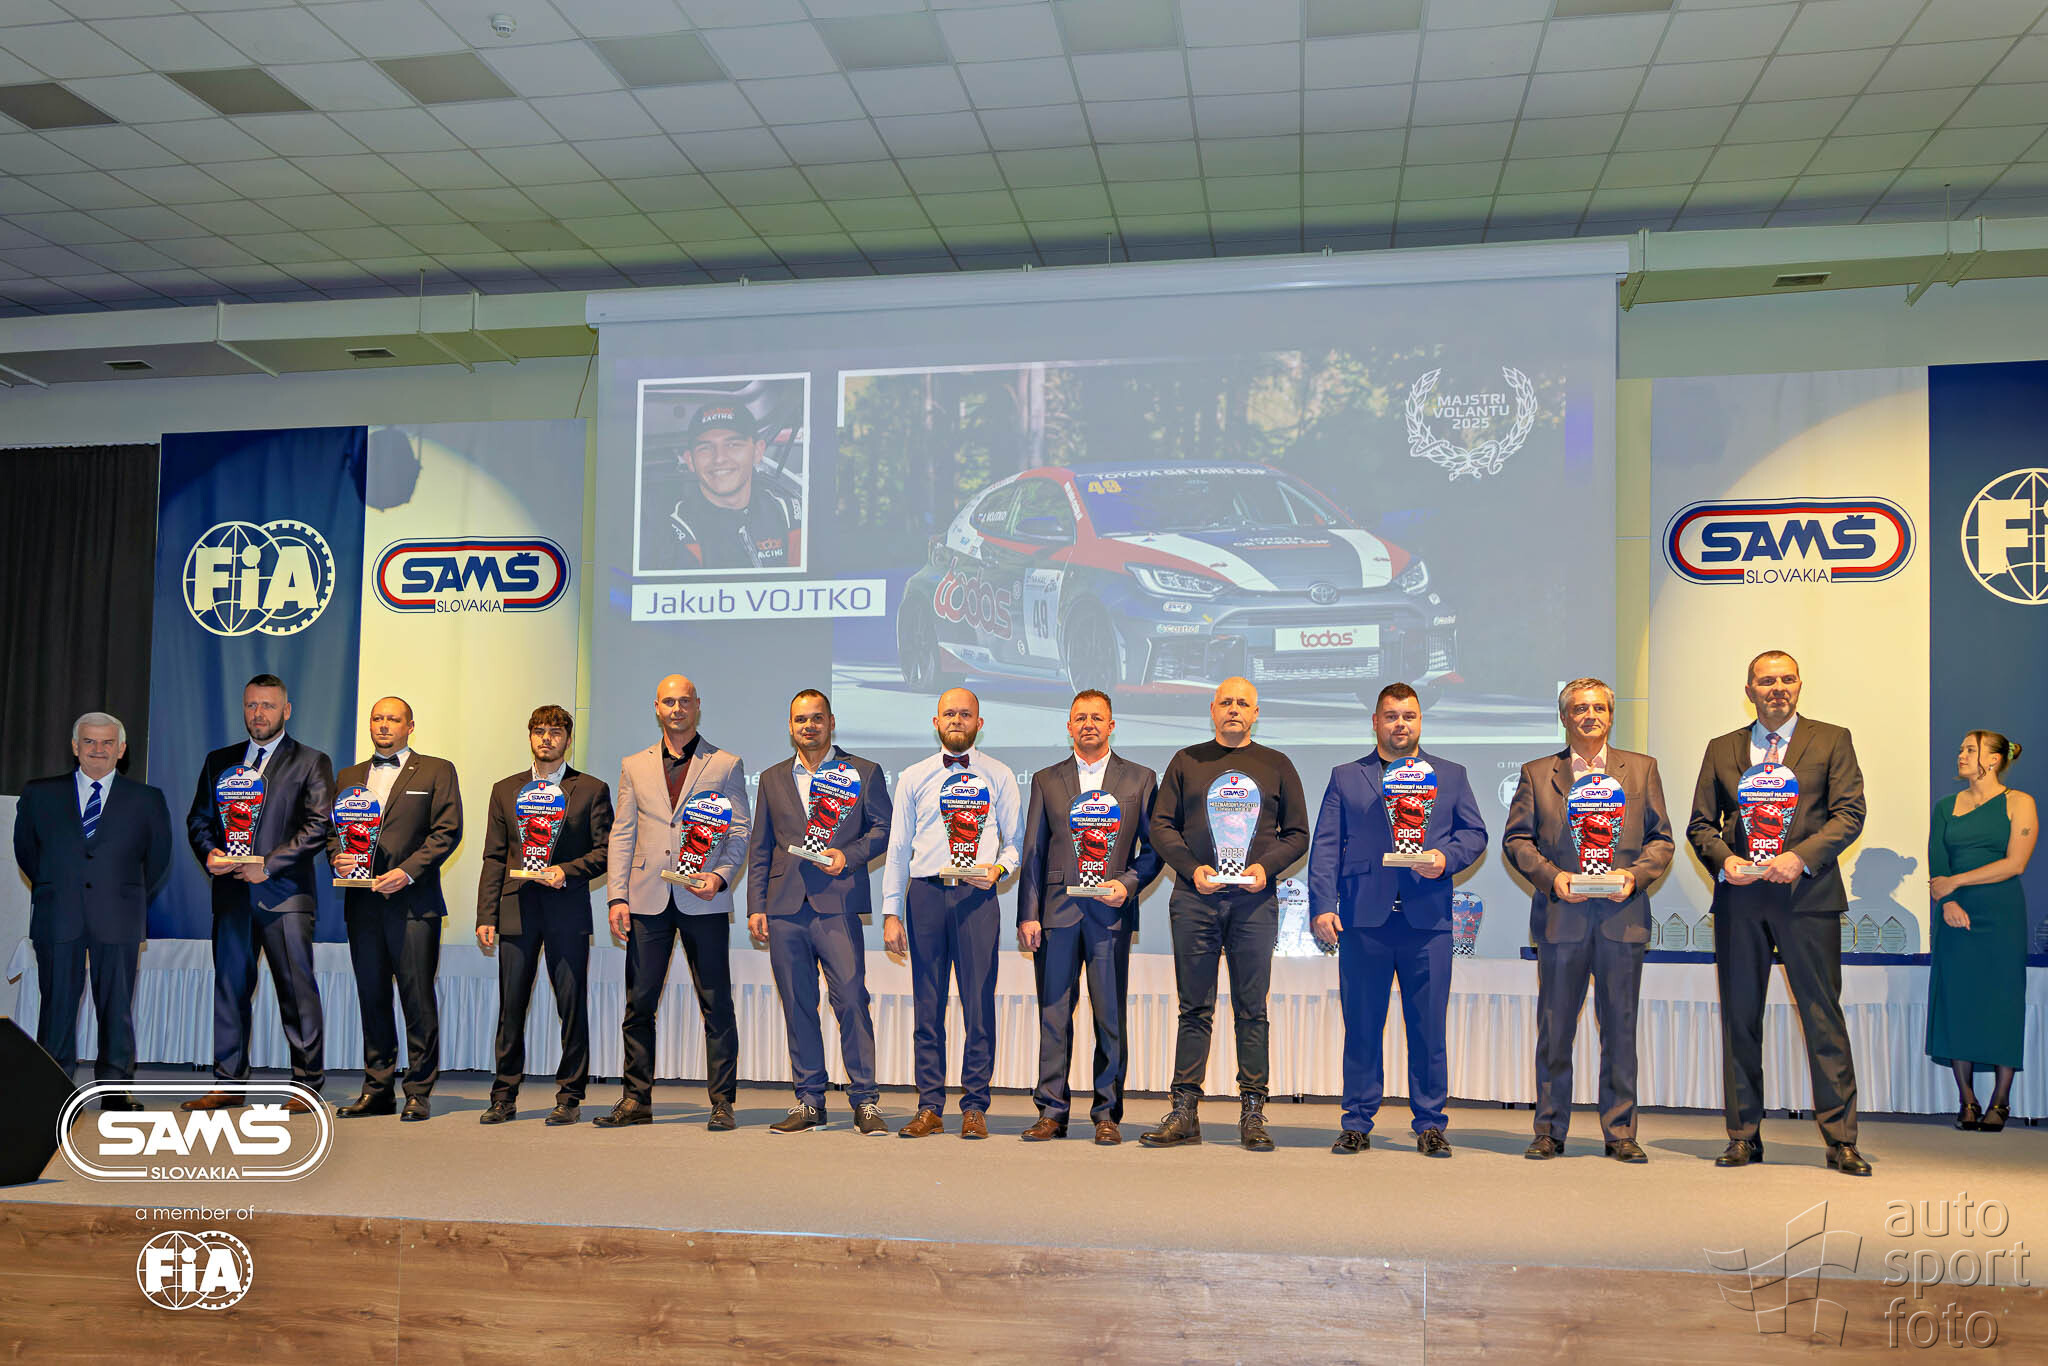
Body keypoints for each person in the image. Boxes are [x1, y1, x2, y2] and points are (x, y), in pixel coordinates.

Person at [1688, 651, 1870, 1176]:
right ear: (1749, 690)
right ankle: (1743, 1136)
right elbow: (1701, 824)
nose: (1778, 688)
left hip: (1807, 897)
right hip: (1741, 900)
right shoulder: (1722, 747)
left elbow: (1849, 813)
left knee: (1822, 1018)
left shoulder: (1831, 739)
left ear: (1799, 686)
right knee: (1740, 1018)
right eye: (1766, 681)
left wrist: (1801, 857)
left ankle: (1841, 1140)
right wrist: (1726, 860)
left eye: (1787, 679)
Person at [1307, 683, 1487, 1157]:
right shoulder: (1346, 777)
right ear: (1375, 722)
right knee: (1362, 1028)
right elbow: (1326, 845)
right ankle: (1356, 1122)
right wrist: (1322, 905)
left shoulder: (1451, 775)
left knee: (1427, 1030)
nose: (1400, 724)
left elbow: (1474, 834)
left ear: (1420, 721)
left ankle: (1430, 1123)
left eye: (1409, 716)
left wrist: (1445, 859)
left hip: (1427, 924)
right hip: (1364, 921)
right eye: (1391, 716)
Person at [1501, 678, 1673, 1162]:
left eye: (1599, 708)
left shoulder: (1641, 769)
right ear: (1564, 717)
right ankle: (1549, 1130)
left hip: (1622, 919)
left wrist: (1633, 877)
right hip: (1562, 919)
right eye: (1579, 709)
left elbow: (1662, 840)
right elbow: (1517, 840)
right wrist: (1553, 878)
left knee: (1620, 1031)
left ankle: (1620, 1133)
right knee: (1555, 1031)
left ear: (1611, 716)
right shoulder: (1538, 773)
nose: (1590, 716)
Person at [1143, 677, 1309, 1151]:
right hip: (1195, 899)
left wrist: (1265, 868)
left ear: (1256, 713)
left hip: (1254, 903)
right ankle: (1184, 1111)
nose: (1234, 709)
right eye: (1226, 702)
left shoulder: (1277, 765)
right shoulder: (1186, 761)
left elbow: (1298, 834)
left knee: (1251, 1009)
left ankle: (1253, 1113)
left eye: (1243, 703)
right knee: (1193, 1008)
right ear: (1212, 710)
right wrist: (1192, 869)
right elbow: (1161, 826)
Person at [598, 675, 750, 1129]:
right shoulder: (633, 765)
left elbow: (740, 830)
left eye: (684, 701)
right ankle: (635, 1099)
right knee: (639, 1005)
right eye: (669, 702)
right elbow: (622, 833)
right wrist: (617, 896)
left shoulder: (726, 763)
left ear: (697, 706)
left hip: (703, 899)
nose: (677, 709)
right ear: (657, 707)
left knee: (716, 1004)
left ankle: (722, 1102)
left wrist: (720, 877)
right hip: (646, 899)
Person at [183, 673, 335, 1113]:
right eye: (251, 705)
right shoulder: (219, 760)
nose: (258, 713)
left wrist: (266, 864)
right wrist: (210, 852)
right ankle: (228, 1083)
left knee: (296, 992)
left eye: (268, 705)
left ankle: (306, 1085)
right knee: (229, 990)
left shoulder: (311, 761)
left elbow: (318, 826)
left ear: (286, 710)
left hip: (285, 896)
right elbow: (199, 819)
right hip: (231, 896)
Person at [1017, 690, 1162, 1145]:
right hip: (1056, 913)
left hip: (1110, 913)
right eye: (1080, 718)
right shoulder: (1046, 779)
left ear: (1111, 725)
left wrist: (1129, 884)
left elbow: (1154, 850)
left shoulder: (1140, 779)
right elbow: (1034, 851)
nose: (1088, 725)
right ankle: (1051, 1112)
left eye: (1097, 718)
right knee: (1053, 1016)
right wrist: (1028, 914)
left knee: (1109, 1018)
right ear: (1069, 726)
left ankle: (1107, 1114)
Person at [747, 689, 893, 1136]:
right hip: (784, 907)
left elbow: (883, 829)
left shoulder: (864, 772)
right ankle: (809, 1100)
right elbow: (761, 846)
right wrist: (756, 906)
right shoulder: (772, 778)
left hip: (837, 903)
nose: (808, 726)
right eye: (800, 720)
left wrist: (849, 856)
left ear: (831, 722)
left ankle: (865, 1100)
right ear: (790, 726)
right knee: (798, 1004)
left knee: (851, 999)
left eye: (816, 718)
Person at [880, 687, 1021, 1139]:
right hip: (925, 896)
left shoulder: (1000, 775)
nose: (956, 720)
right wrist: (891, 912)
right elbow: (898, 848)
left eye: (965, 713)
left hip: (977, 898)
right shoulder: (913, 776)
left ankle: (975, 1106)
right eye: (949, 714)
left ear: (979, 723)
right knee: (928, 1005)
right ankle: (929, 1107)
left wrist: (998, 870)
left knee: (979, 1004)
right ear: (935, 722)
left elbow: (1016, 843)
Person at [12, 712, 172, 1108]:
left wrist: (123, 894)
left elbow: (157, 860)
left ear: (121, 749)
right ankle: (54, 1094)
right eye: (89, 741)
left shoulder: (147, 799)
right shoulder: (39, 794)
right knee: (56, 1009)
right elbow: (27, 852)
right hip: (58, 914)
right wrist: (57, 887)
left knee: (116, 1010)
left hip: (118, 916)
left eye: (106, 743)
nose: (97, 749)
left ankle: (115, 1092)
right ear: (74, 746)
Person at [476, 705, 613, 1127]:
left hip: (566, 908)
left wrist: (566, 871)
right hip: (516, 908)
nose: (547, 739)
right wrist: (486, 914)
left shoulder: (591, 789)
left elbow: (605, 851)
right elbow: (494, 856)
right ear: (530, 737)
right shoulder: (505, 789)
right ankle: (503, 1096)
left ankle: (570, 1096)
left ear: (568, 739)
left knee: (571, 1006)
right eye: (539, 731)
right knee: (511, 1007)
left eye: (555, 732)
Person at [327, 697, 462, 1123]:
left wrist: (407, 872)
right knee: (372, 999)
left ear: (410, 726)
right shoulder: (348, 776)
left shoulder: (437, 770)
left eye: (393, 719)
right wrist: (336, 857)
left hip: (413, 904)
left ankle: (418, 1091)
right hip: (362, 903)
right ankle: (377, 1089)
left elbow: (446, 832)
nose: (384, 725)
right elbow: (332, 832)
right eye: (377, 718)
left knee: (417, 1000)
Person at [1927, 731, 2036, 1133]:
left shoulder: (2019, 802)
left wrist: (1955, 883)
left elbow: (2015, 863)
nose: (1961, 755)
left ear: (1992, 760)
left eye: (1970, 750)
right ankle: (1967, 1099)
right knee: (1959, 999)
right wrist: (1948, 901)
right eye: (1961, 749)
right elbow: (1938, 862)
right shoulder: (1945, 806)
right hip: (1954, 912)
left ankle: (2000, 1100)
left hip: (2000, 913)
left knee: (2002, 1000)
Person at [668, 405, 800, 570]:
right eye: (705, 448)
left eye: (733, 445)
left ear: (757, 452)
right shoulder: (674, 532)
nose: (719, 458)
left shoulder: (789, 515)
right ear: (690, 460)